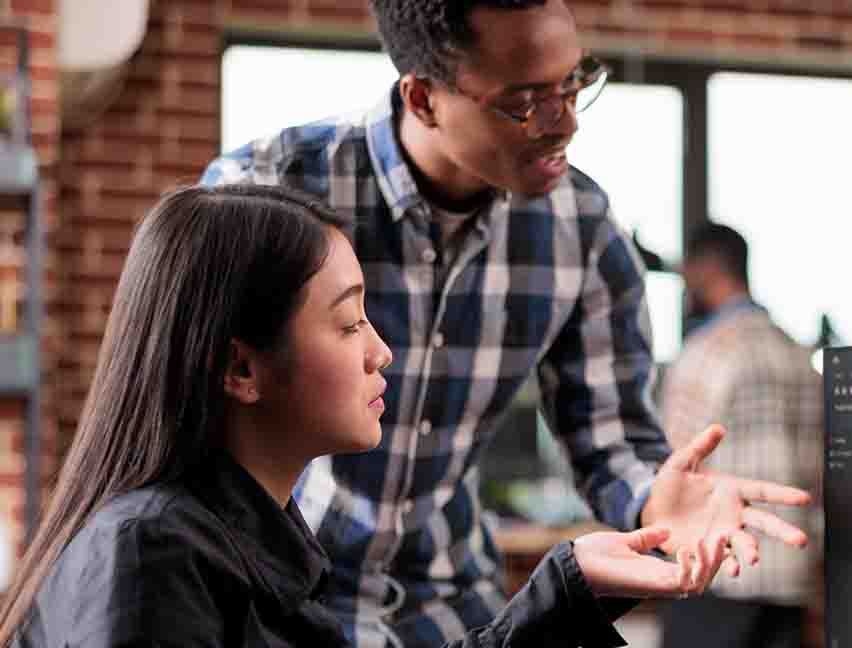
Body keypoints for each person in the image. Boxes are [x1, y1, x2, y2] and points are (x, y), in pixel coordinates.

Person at [201, 1, 811, 645]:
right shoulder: (269, 190)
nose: (564, 123)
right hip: (276, 599)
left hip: (451, 609)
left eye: (574, 84)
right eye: (524, 102)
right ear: (423, 98)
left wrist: (660, 499)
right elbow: (188, 436)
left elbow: (611, 436)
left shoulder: (582, 228)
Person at [0, 185, 732, 647]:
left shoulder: (255, 539)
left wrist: (566, 586)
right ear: (241, 368)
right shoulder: (150, 558)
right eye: (349, 325)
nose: (382, 353)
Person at [658, 224, 825, 648]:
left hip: (720, 576)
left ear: (705, 269)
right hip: (792, 577)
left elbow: (673, 467)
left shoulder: (705, 353)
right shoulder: (798, 355)